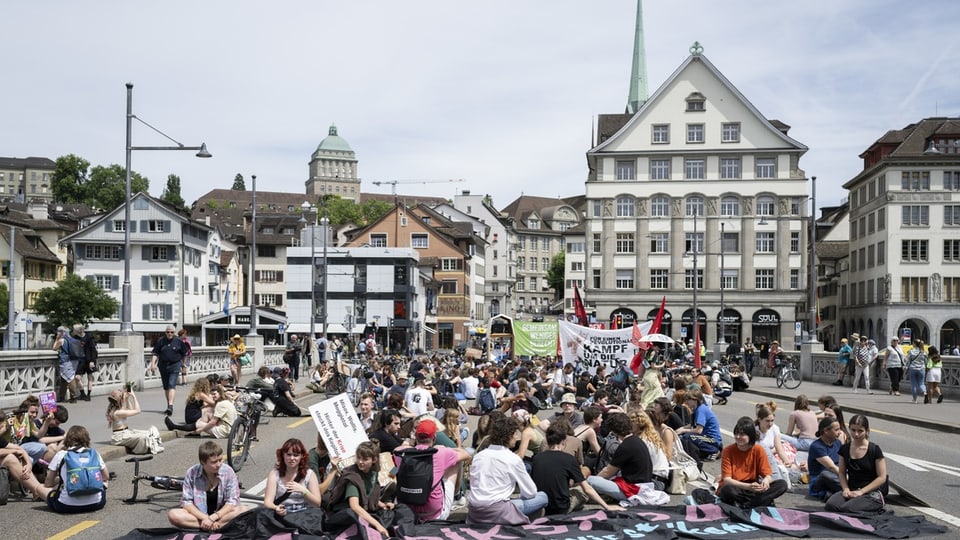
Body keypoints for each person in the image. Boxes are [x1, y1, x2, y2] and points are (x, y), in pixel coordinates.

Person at [467, 414, 547, 525]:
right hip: (498, 511)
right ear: (510, 435)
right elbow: (531, 492)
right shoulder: (512, 459)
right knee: (543, 496)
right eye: (515, 434)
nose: (517, 437)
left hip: (474, 511)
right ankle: (520, 520)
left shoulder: (479, 456)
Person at [531, 423, 618, 515]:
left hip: (541, 505)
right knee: (580, 490)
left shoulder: (537, 458)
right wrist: (607, 507)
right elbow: (587, 489)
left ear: (547, 441)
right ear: (564, 441)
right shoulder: (569, 459)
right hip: (560, 508)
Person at [394, 419, 471, 521]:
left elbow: (397, 450)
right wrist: (444, 448)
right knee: (455, 463)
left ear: (416, 436)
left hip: (406, 512)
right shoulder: (440, 453)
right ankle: (457, 497)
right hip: (434, 515)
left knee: (397, 467)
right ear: (434, 438)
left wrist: (408, 443)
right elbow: (466, 454)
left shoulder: (401, 453)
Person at [168, 441, 245, 531]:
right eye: (214, 462)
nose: (219, 464)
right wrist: (205, 518)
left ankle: (213, 524)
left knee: (243, 510)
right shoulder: (192, 473)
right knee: (173, 515)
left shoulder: (228, 471)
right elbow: (187, 503)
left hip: (222, 515)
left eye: (220, 460)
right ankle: (214, 526)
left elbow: (232, 501)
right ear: (202, 462)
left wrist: (214, 517)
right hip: (200, 516)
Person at [325, 441, 395, 537]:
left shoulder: (373, 473)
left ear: (374, 460)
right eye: (358, 458)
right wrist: (377, 525)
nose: (360, 462)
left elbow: (367, 494)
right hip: (345, 515)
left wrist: (383, 505)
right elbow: (354, 506)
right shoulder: (353, 477)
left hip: (362, 511)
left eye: (365, 459)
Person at [716, 417, 788, 508]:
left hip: (752, 489)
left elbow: (768, 475)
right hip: (737, 487)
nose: (738, 437)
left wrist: (765, 482)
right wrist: (748, 486)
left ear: (750, 436)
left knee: (781, 484)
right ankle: (757, 503)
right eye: (736, 433)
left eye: (742, 434)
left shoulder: (758, 449)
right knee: (727, 489)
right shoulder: (728, 451)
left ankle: (748, 505)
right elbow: (727, 480)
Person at [36, 426, 109, 513]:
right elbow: (106, 476)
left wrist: (61, 480)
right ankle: (92, 497)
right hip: (97, 503)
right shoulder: (94, 453)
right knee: (104, 482)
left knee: (39, 488)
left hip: (67, 506)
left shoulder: (61, 455)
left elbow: (48, 483)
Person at [586, 412, 657, 502]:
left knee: (591, 480)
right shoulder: (637, 441)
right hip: (644, 485)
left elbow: (607, 472)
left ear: (614, 431)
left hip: (633, 489)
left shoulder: (625, 446)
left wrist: (592, 482)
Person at [825, 415, 888, 514]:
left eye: (860, 431)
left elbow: (882, 477)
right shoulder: (844, 449)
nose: (856, 434)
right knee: (831, 505)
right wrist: (845, 488)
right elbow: (841, 472)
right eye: (853, 430)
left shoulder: (874, 450)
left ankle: (877, 506)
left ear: (867, 431)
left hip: (870, 493)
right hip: (851, 489)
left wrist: (861, 492)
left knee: (848, 509)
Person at [263, 438, 322, 516]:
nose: (292, 458)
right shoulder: (274, 473)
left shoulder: (310, 474)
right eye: (289, 454)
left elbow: (317, 503)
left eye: (296, 455)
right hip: (283, 513)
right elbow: (267, 502)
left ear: (302, 456)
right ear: (282, 455)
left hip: (304, 515)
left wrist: (303, 491)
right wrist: (276, 508)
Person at [107, 388, 164, 454]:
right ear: (120, 400)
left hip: (125, 433)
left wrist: (127, 399)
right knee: (144, 437)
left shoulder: (116, 409)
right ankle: (151, 448)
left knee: (150, 432)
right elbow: (138, 410)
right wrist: (134, 396)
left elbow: (129, 409)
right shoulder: (118, 412)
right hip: (120, 437)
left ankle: (153, 446)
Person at [148, 325, 189, 416]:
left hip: (175, 365)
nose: (169, 334)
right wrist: (153, 364)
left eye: (171, 332)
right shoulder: (161, 341)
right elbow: (155, 353)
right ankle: (169, 405)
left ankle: (170, 405)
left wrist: (183, 364)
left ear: (174, 333)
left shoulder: (178, 341)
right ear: (165, 332)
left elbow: (184, 353)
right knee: (166, 386)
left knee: (171, 384)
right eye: (168, 332)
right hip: (163, 365)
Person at [755, 402, 801, 482]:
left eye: (772, 421)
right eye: (767, 421)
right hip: (759, 459)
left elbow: (779, 449)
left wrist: (787, 461)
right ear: (759, 420)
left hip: (772, 457)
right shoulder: (754, 430)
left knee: (794, 467)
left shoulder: (775, 428)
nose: (770, 424)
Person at [676, 388, 723, 460]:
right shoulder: (696, 409)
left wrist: (683, 431)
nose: (686, 402)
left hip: (712, 438)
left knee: (688, 437)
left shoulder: (701, 410)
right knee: (683, 436)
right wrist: (681, 429)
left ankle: (713, 450)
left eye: (688, 399)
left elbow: (698, 430)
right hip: (704, 436)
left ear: (695, 400)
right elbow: (692, 425)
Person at [630, 410, 670, 491]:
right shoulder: (653, 436)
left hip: (652, 482)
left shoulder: (641, 440)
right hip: (660, 480)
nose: (629, 426)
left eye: (631, 423)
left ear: (638, 425)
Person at [807, 417, 843, 499]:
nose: (839, 432)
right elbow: (832, 467)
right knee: (826, 474)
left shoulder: (838, 443)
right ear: (826, 431)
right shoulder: (816, 446)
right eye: (836, 430)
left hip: (837, 477)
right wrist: (846, 479)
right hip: (820, 480)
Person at [69, 324, 99, 402]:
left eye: (74, 329)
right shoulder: (75, 338)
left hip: (89, 360)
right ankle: (82, 393)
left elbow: (93, 350)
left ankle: (88, 395)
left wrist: (92, 361)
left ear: (78, 330)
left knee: (90, 377)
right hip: (80, 360)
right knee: (77, 377)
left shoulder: (89, 337)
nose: (73, 331)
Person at [52, 326, 79, 403]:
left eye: (58, 331)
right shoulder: (72, 339)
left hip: (66, 361)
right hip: (74, 361)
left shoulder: (62, 340)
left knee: (70, 378)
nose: (57, 333)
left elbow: (54, 348)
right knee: (64, 378)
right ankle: (61, 396)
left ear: (62, 332)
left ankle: (73, 397)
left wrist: (57, 339)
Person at [905, 339, 928, 404]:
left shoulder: (911, 351)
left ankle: (914, 400)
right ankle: (925, 393)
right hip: (922, 369)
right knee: (921, 383)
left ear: (915, 344)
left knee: (913, 384)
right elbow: (926, 361)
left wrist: (906, 368)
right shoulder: (923, 352)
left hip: (913, 368)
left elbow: (908, 361)